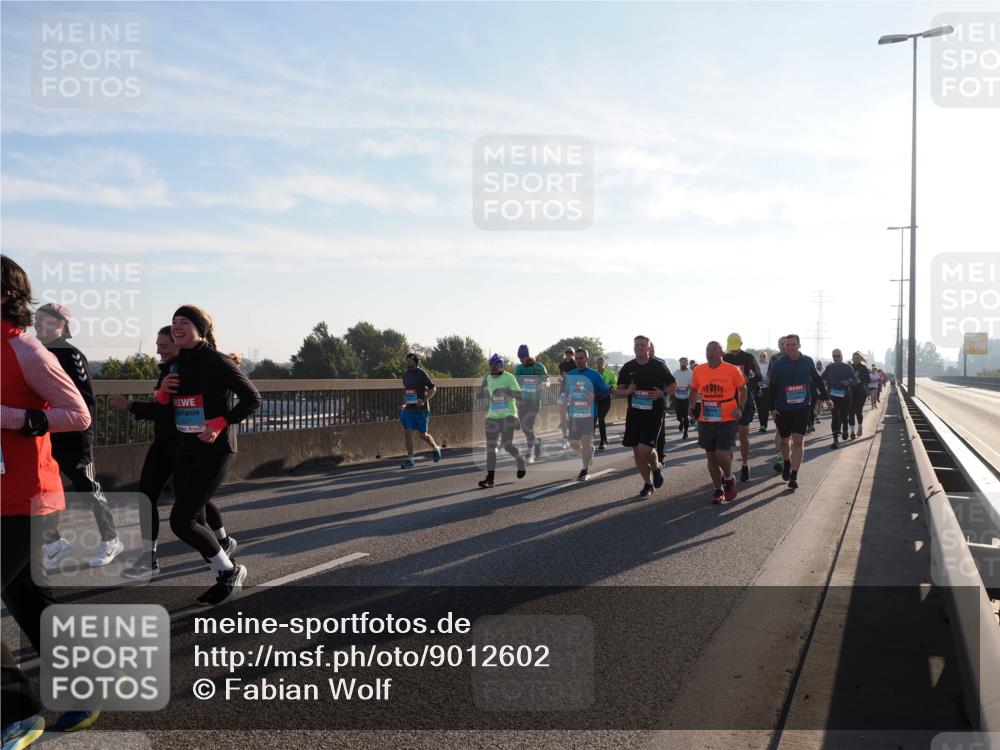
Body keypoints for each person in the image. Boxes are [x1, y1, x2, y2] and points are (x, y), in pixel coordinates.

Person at [2, 255, 94, 743]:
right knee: (23, 596)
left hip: (29, 495)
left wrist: (12, 418)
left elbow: (77, 415)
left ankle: (19, 713)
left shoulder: (26, 349)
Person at [159, 305, 261, 606]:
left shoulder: (217, 362)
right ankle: (223, 548)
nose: (177, 326)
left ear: (200, 329)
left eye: (184, 322)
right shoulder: (175, 364)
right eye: (173, 322)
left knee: (182, 520)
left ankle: (228, 572)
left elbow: (253, 398)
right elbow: (166, 406)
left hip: (216, 448)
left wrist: (220, 422)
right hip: (185, 446)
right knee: (195, 511)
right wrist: (163, 391)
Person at [32, 303, 124, 569]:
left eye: (43, 320)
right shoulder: (36, 352)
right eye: (35, 319)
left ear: (60, 324)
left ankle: (112, 539)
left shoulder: (70, 355)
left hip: (73, 434)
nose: (36, 324)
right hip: (46, 433)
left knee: (87, 488)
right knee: (37, 487)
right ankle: (54, 542)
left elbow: (85, 399)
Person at [615, 335, 676, 499]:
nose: (640, 348)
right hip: (634, 413)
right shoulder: (628, 367)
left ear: (649, 348)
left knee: (645, 449)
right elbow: (618, 390)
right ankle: (647, 483)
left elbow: (673, 384)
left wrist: (662, 393)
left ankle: (656, 467)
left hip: (654, 412)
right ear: (634, 348)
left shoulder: (658, 366)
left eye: (643, 345)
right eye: (637, 345)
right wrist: (628, 391)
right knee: (636, 451)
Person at [768, 334, 831, 490]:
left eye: (792, 344)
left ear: (799, 345)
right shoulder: (779, 364)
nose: (789, 347)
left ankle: (794, 476)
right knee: (784, 441)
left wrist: (827, 398)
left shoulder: (807, 361)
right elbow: (773, 387)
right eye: (787, 345)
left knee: (798, 441)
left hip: (802, 407)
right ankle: (787, 461)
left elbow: (816, 380)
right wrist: (771, 407)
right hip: (783, 408)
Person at [690, 341, 747, 503]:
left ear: (722, 353)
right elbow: (694, 389)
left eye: (714, 349)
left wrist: (741, 407)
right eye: (708, 349)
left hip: (727, 417)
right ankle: (718, 488)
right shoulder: (699, 370)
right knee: (711, 457)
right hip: (706, 418)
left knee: (721, 453)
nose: (710, 352)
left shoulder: (731, 370)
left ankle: (728, 478)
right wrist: (691, 405)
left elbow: (743, 389)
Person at [477, 354, 526, 488]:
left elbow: (520, 395)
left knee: (506, 445)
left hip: (508, 414)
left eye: (496, 365)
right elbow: (480, 394)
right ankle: (490, 479)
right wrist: (483, 392)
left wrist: (505, 390)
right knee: (491, 448)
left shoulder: (509, 377)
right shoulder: (487, 378)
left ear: (501, 366)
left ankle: (520, 460)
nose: (493, 368)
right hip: (492, 415)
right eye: (491, 365)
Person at [564, 349, 611, 481]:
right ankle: (588, 451)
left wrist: (595, 395)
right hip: (574, 414)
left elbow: (606, 392)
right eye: (576, 358)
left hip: (589, 414)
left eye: (581, 358)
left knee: (585, 441)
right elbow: (567, 393)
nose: (578, 361)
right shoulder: (571, 375)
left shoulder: (595, 375)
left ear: (587, 359)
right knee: (574, 444)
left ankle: (585, 470)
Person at [722, 333, 761, 482]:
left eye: (735, 348)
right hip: (728, 401)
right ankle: (728, 473)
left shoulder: (748, 357)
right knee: (729, 438)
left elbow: (758, 376)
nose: (733, 352)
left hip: (745, 401)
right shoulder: (725, 358)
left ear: (741, 344)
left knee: (743, 435)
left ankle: (745, 465)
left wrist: (747, 379)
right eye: (731, 349)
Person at [399, 352, 441, 469]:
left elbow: (433, 388)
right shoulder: (405, 375)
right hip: (409, 409)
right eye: (407, 360)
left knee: (422, 435)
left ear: (415, 362)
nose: (408, 361)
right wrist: (404, 404)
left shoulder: (421, 373)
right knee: (408, 433)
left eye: (410, 360)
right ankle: (411, 460)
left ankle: (435, 447)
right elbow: (408, 391)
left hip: (421, 410)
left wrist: (423, 400)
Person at [514, 345, 548, 462]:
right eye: (519, 358)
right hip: (522, 400)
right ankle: (537, 441)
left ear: (528, 356)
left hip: (535, 400)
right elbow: (515, 384)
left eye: (523, 358)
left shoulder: (538, 367)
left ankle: (529, 454)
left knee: (528, 424)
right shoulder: (519, 369)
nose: (521, 360)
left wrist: (543, 384)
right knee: (524, 427)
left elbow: (547, 380)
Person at [822, 349, 855, 449]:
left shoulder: (847, 367)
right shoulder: (829, 367)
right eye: (834, 356)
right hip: (833, 396)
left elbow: (855, 380)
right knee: (835, 417)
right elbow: (822, 378)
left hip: (845, 396)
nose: (836, 358)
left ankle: (845, 428)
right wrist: (824, 382)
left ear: (842, 356)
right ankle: (835, 440)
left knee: (844, 416)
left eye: (838, 356)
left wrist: (848, 382)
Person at [769, 336, 788, 472]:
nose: (783, 346)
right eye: (780, 344)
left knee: (790, 433)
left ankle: (786, 455)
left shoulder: (795, 357)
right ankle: (780, 456)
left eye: (785, 344)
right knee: (779, 430)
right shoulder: (774, 359)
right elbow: (770, 375)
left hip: (793, 398)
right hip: (778, 397)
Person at [649, 342, 669, 465]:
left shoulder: (661, 363)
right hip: (641, 403)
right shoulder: (635, 363)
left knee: (659, 432)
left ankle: (660, 457)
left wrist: (663, 395)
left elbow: (670, 382)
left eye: (651, 348)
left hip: (658, 403)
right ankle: (649, 456)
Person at [594, 356, 617, 450]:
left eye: (600, 362)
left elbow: (616, 384)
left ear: (604, 364)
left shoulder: (610, 373)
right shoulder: (593, 373)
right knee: (593, 419)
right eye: (597, 362)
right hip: (595, 399)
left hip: (606, 398)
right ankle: (590, 440)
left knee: (600, 417)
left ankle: (602, 441)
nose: (599, 364)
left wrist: (611, 385)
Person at [557, 347, 576, 449]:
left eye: (570, 352)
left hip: (574, 393)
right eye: (567, 352)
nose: (568, 354)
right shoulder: (561, 365)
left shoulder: (576, 364)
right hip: (563, 392)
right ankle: (565, 439)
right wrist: (561, 379)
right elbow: (562, 378)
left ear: (573, 354)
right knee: (562, 416)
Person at [849, 352, 870, 438]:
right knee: (850, 412)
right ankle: (852, 432)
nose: (855, 359)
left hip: (860, 392)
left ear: (860, 359)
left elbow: (867, 379)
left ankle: (860, 426)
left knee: (858, 411)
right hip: (850, 392)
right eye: (854, 358)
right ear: (852, 358)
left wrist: (859, 378)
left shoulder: (863, 367)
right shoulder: (849, 367)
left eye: (857, 358)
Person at [672, 357, 693, 440]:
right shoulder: (676, 373)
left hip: (687, 397)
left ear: (687, 363)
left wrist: (690, 385)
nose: (683, 364)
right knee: (678, 416)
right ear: (680, 363)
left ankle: (686, 432)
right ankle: (680, 421)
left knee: (685, 415)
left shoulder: (691, 373)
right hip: (678, 397)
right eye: (681, 362)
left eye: (684, 362)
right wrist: (675, 387)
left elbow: (694, 383)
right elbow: (672, 382)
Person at [754, 350, 770, 433]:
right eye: (761, 356)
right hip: (757, 388)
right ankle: (761, 425)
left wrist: (768, 379)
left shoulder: (769, 365)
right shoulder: (756, 365)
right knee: (759, 408)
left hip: (767, 388)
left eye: (764, 356)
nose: (762, 357)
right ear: (759, 357)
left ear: (766, 357)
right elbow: (753, 375)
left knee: (765, 408)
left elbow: (771, 374)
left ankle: (764, 425)